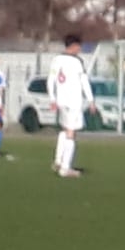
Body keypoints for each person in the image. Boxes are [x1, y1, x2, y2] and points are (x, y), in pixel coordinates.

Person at [48, 35, 96, 177]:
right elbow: (84, 81)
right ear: (74, 46)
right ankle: (65, 168)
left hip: (61, 101)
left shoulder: (56, 60)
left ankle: (58, 160)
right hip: (73, 101)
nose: (80, 49)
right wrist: (91, 100)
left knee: (65, 129)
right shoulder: (77, 62)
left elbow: (51, 80)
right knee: (71, 132)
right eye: (79, 46)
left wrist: (52, 99)